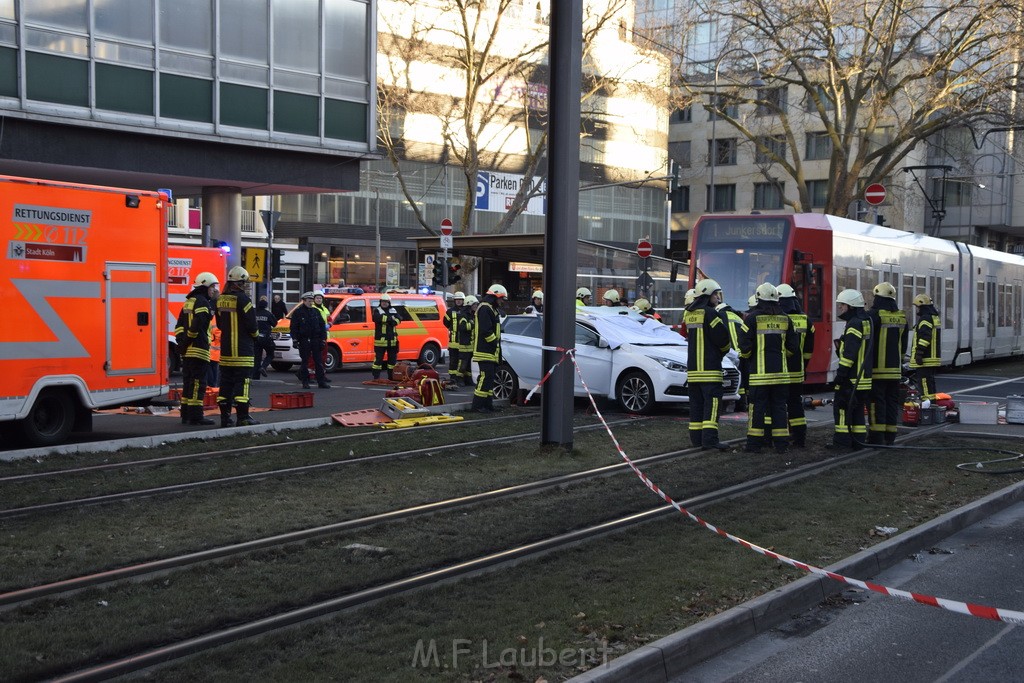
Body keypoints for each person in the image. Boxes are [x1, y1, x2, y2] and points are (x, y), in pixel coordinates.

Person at [739, 283, 799, 454]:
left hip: (759, 375)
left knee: (757, 409)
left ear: (759, 298)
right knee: (780, 408)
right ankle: (781, 445)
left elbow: (744, 344)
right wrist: (782, 356)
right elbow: (793, 346)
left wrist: (750, 356)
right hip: (781, 375)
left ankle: (754, 445)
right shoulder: (786, 318)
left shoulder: (751, 318)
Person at [683, 279, 732, 449]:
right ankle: (710, 440)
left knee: (696, 406)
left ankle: (696, 439)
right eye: (715, 294)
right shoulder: (711, 314)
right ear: (708, 295)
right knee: (712, 406)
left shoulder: (688, 314)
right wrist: (722, 352)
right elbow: (723, 338)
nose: (717, 297)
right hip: (710, 369)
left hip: (693, 371)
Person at [216, 266, 260, 427]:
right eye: (244, 282)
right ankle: (243, 417)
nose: (246, 285)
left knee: (226, 383)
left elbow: (220, 324)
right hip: (243, 350)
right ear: (239, 283)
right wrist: (256, 338)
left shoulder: (221, 299)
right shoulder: (243, 300)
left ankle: (224, 418)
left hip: (226, 351)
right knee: (243, 383)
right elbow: (252, 325)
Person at [173, 271, 219, 426]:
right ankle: (196, 416)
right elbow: (198, 325)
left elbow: (179, 326)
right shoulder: (202, 302)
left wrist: (181, 343)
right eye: (212, 287)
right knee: (198, 384)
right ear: (205, 286)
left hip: (187, 351)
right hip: (198, 349)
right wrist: (187, 341)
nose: (214, 290)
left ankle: (185, 414)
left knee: (188, 382)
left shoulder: (188, 302)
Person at [867, 282, 908, 445]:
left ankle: (876, 436)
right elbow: (903, 346)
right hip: (895, 370)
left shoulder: (874, 315)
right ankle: (890, 436)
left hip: (877, 369)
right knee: (892, 402)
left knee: (877, 403)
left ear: (878, 297)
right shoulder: (902, 317)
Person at [833, 289, 873, 449]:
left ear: (851, 305)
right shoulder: (865, 321)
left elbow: (850, 354)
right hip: (864, 378)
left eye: (842, 305)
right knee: (857, 412)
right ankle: (858, 441)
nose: (840, 308)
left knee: (842, 409)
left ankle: (842, 442)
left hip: (852, 378)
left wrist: (840, 375)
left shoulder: (854, 324)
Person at [777, 283, 815, 446]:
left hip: (780, 372)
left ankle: (779, 436)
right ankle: (800, 437)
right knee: (795, 404)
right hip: (798, 371)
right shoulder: (806, 320)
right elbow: (808, 350)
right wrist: (803, 366)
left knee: (778, 404)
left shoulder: (779, 319)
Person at [473, 284, 507, 412]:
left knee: (489, 379)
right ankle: (477, 405)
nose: (502, 301)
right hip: (485, 350)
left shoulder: (492, 309)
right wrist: (495, 344)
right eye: (501, 298)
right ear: (495, 296)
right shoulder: (485, 309)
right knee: (485, 378)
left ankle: (487, 405)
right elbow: (486, 331)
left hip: (491, 351)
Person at [290, 291, 329, 389]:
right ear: (303, 301)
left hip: (315, 340)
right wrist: (295, 340)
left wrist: (323, 340)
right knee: (305, 362)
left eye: (312, 301)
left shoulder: (315, 312)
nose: (311, 302)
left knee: (318, 362)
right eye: (309, 301)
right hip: (304, 340)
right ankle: (305, 382)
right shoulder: (298, 312)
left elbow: (322, 327)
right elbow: (294, 327)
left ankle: (321, 382)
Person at [716, 295, 746, 410]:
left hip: (732, 354)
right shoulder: (737, 317)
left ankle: (734, 405)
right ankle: (742, 405)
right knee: (742, 380)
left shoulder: (721, 316)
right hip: (743, 353)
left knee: (733, 379)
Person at [910, 293, 941, 401]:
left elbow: (925, 337)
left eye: (917, 307)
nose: (917, 309)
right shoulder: (933, 317)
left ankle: (927, 407)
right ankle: (931, 404)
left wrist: (919, 353)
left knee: (924, 383)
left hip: (926, 358)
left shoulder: (925, 319)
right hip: (932, 358)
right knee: (929, 383)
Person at [371, 293, 402, 380]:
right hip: (381, 341)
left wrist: (395, 321)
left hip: (392, 341)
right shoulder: (377, 310)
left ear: (389, 302)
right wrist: (390, 319)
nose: (384, 303)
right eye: (382, 301)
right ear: (380, 302)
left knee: (392, 361)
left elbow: (399, 318)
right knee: (378, 361)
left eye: (386, 302)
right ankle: (376, 377)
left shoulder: (393, 310)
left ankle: (391, 377)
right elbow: (377, 318)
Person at [252, 298, 278, 379]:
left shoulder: (254, 314)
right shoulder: (268, 314)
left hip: (256, 338)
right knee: (270, 354)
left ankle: (255, 377)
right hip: (266, 338)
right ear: (266, 306)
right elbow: (275, 323)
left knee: (257, 358)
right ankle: (263, 367)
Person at [456, 295, 478, 386]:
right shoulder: (463, 315)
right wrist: (472, 324)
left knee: (469, 364)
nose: (476, 306)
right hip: (464, 344)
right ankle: (459, 379)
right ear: (469, 305)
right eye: (474, 305)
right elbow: (462, 327)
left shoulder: (472, 315)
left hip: (471, 345)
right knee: (463, 363)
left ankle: (468, 379)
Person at [444, 292, 466, 383]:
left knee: (463, 361)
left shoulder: (466, 310)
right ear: (454, 301)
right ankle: (453, 377)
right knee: (453, 361)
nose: (458, 301)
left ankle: (460, 378)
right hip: (453, 341)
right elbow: (445, 322)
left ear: (463, 301)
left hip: (464, 341)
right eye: (457, 300)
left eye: (460, 300)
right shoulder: (450, 311)